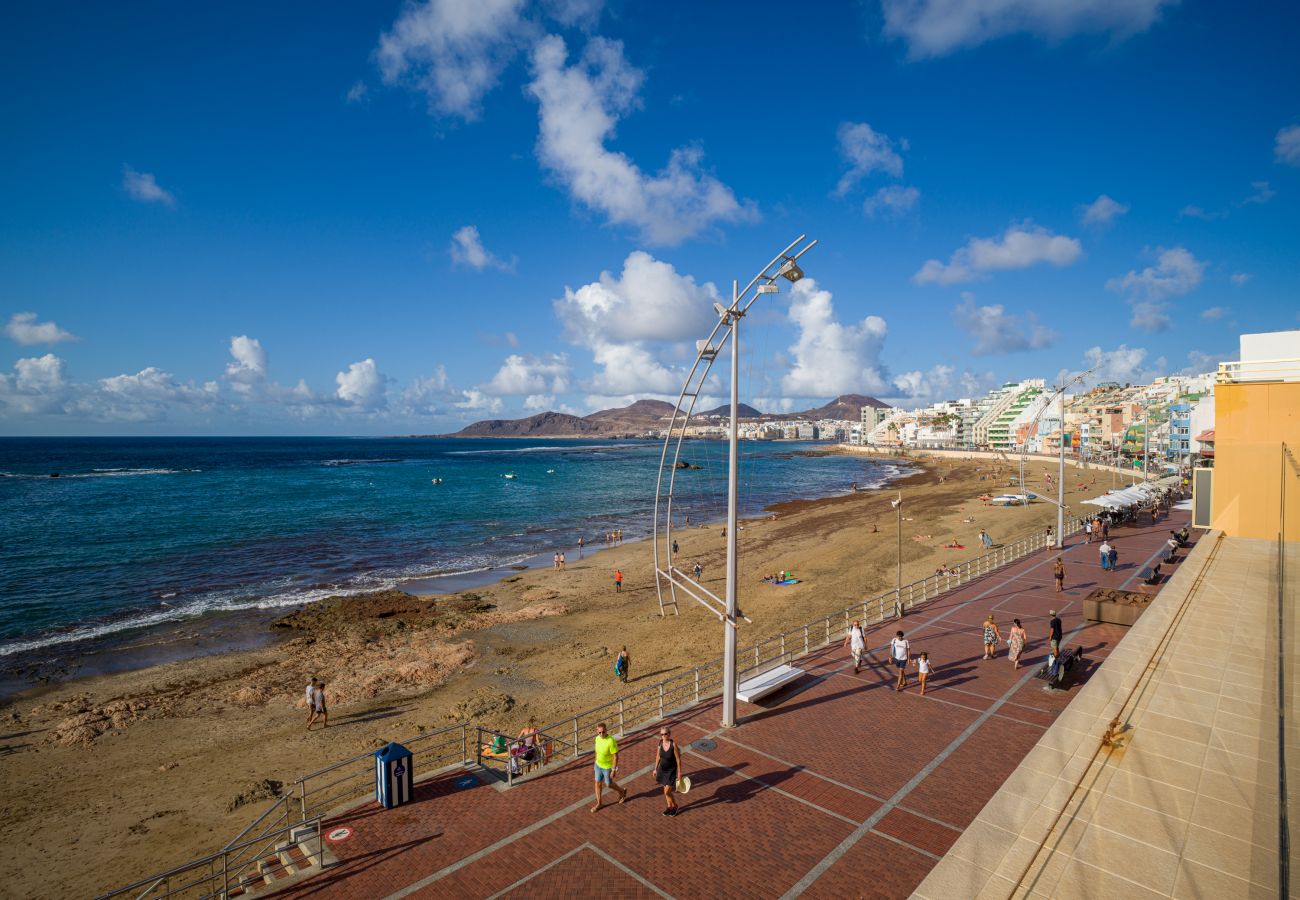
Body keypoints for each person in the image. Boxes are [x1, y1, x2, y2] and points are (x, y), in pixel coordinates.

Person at [590, 723, 627, 812]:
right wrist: (595, 762)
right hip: (598, 765)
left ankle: (621, 791)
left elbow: (615, 756)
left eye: (603, 732)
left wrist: (613, 770)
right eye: (600, 732)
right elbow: (596, 752)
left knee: (609, 784)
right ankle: (599, 803)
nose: (601, 734)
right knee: (597, 784)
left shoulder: (611, 741)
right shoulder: (597, 739)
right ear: (597, 731)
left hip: (607, 767)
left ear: (606, 730)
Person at [654, 725, 684, 817]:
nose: (663, 736)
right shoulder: (660, 743)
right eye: (661, 734)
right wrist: (655, 769)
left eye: (665, 734)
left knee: (667, 791)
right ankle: (669, 807)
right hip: (662, 770)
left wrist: (679, 773)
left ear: (669, 734)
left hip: (671, 771)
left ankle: (675, 806)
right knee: (665, 791)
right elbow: (658, 756)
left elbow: (678, 760)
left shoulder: (673, 744)